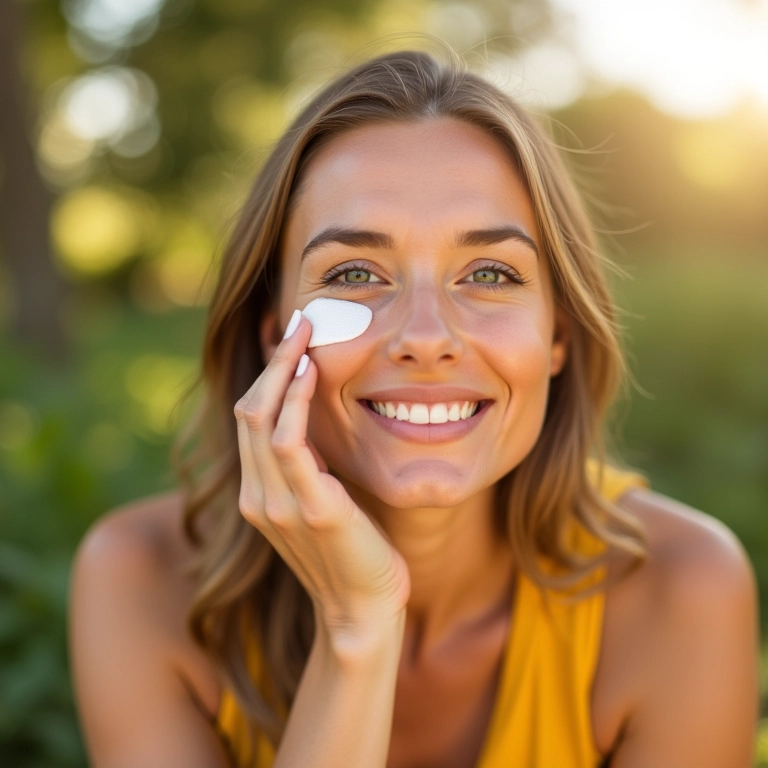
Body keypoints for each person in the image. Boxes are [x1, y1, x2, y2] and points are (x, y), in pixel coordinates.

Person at [68, 47, 760, 768]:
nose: (426, 338)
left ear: (558, 332)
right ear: (274, 331)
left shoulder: (681, 590)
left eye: (490, 273)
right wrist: (357, 629)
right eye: (355, 273)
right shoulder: (139, 581)